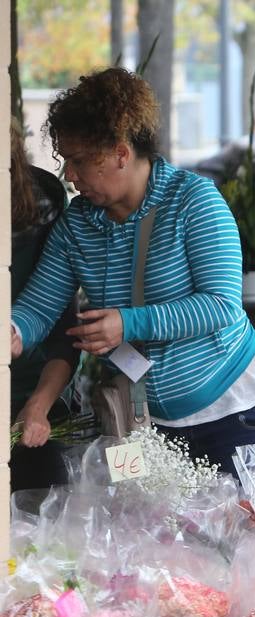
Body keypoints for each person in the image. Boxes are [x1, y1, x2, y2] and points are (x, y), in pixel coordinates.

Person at [9, 67, 255, 477]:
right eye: (65, 160)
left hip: (237, 415)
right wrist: (13, 333)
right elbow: (39, 306)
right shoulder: (77, 225)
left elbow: (221, 306)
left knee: (250, 536)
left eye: (80, 161)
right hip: (139, 425)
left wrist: (128, 323)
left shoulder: (194, 200)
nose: (69, 175)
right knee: (145, 537)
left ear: (121, 153)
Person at [10, 118, 81, 492]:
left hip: (34, 410)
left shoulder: (46, 207)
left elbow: (58, 326)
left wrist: (37, 407)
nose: (72, 176)